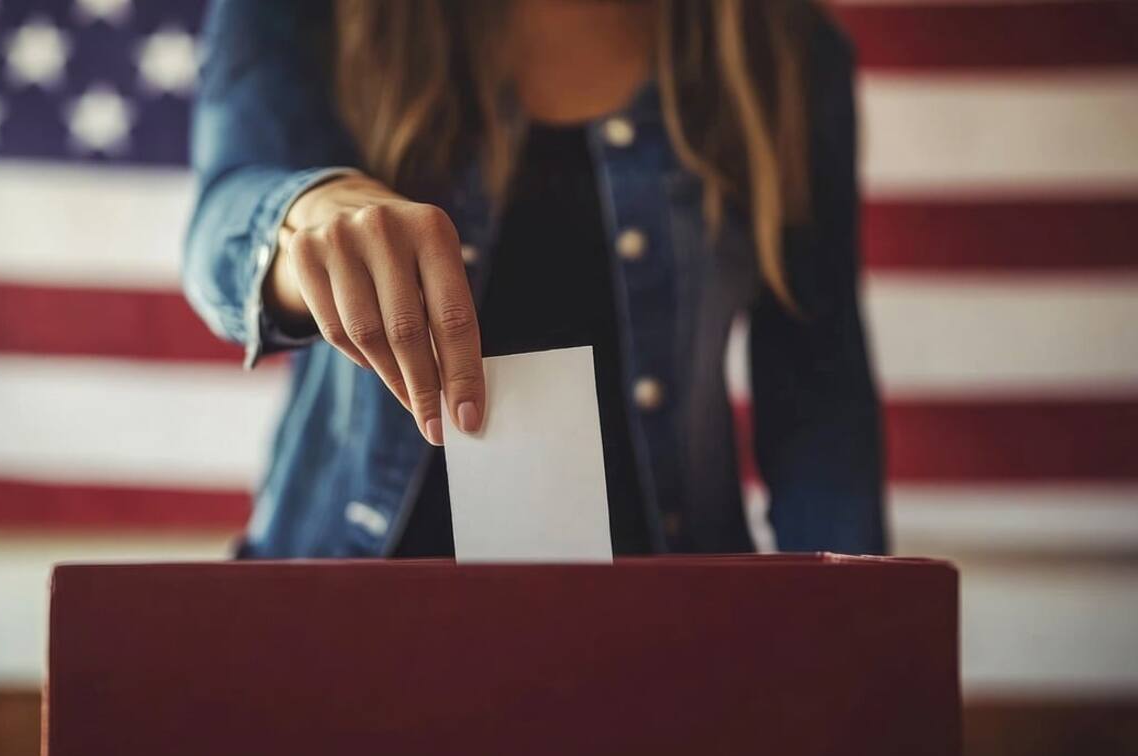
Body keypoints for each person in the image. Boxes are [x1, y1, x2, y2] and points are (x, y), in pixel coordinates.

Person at [183, 0, 885, 559]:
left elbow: (820, 400)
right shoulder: (311, 12)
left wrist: (849, 650)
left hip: (668, 635)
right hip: (345, 617)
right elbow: (224, 221)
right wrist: (308, 214)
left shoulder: (784, 47)